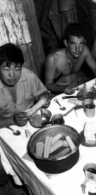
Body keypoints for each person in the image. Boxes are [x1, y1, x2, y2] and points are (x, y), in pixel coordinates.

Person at [0, 43, 50, 195]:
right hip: (5, 126)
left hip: (31, 121)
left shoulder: (28, 76)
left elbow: (44, 92)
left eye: (17, 68)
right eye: (6, 68)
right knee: (4, 172)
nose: (12, 74)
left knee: (45, 153)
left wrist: (44, 98)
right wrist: (12, 121)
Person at [45, 23, 96, 94]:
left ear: (84, 42)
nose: (77, 49)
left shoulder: (85, 50)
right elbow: (48, 84)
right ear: (66, 43)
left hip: (79, 85)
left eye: (81, 44)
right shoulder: (53, 58)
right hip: (60, 91)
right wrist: (65, 88)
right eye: (73, 44)